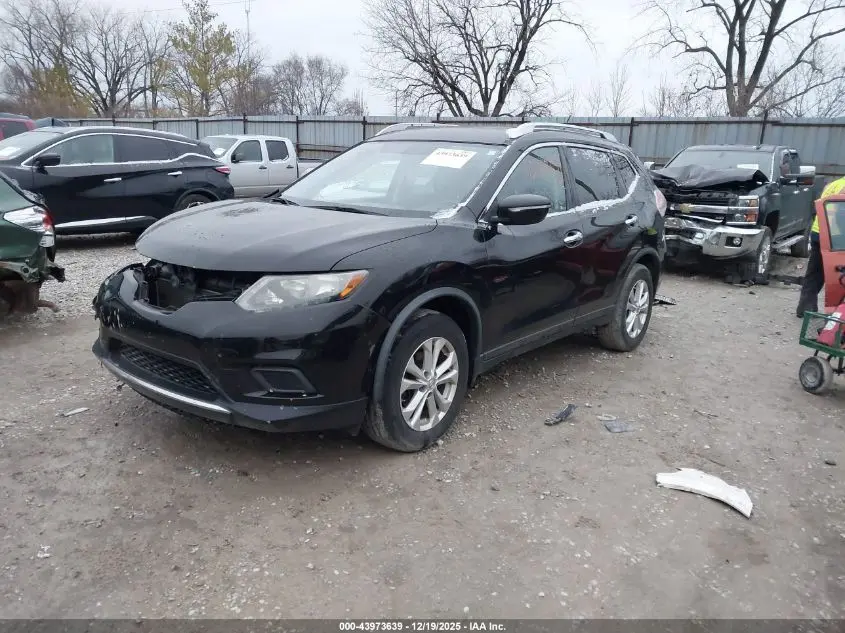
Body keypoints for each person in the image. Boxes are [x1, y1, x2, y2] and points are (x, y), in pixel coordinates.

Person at [797, 175, 845, 317]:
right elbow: (840, 212)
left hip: (819, 232)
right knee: (836, 275)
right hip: (834, 237)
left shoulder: (833, 184)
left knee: (815, 272)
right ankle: (836, 314)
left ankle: (805, 308)